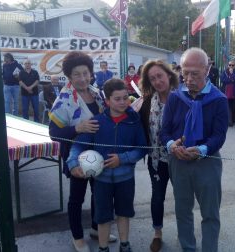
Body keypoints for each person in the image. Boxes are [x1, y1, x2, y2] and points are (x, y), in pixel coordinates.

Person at [67, 79, 147, 252]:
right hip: (101, 181)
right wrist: (73, 162)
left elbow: (142, 148)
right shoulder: (97, 122)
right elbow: (78, 145)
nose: (123, 102)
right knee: (102, 217)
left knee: (124, 213)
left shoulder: (134, 122)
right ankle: (103, 248)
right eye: (117, 99)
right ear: (108, 101)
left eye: (125, 97)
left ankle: (124, 244)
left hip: (125, 179)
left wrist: (123, 158)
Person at [161, 48, 229, 252]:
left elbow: (219, 136)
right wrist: (172, 145)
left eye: (194, 73)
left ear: (207, 70)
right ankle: (188, 248)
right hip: (179, 161)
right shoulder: (175, 97)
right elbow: (165, 131)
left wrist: (201, 149)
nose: (188, 78)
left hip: (207, 162)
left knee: (210, 213)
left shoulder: (218, 100)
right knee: (182, 211)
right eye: (185, 72)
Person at [48, 52, 116, 252]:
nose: (82, 78)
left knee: (99, 193)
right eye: (76, 74)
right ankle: (77, 237)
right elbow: (53, 132)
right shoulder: (64, 99)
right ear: (69, 76)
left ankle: (96, 228)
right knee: (76, 198)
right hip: (76, 158)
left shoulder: (97, 92)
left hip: (99, 154)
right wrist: (78, 128)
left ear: (91, 73)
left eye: (85, 73)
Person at [138, 60, 179, 252]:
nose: (157, 81)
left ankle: (184, 231)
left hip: (180, 159)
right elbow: (137, 128)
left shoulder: (183, 98)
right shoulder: (146, 102)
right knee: (157, 197)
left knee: (183, 198)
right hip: (156, 160)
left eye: (160, 76)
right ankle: (157, 233)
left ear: (169, 75)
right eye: (152, 78)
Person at [220, 60, 235, 127]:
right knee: (226, 108)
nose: (231, 66)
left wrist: (232, 75)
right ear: (228, 65)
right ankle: (227, 122)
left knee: (234, 108)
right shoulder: (224, 72)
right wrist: (231, 79)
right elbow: (222, 80)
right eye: (230, 65)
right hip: (226, 93)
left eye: (232, 65)